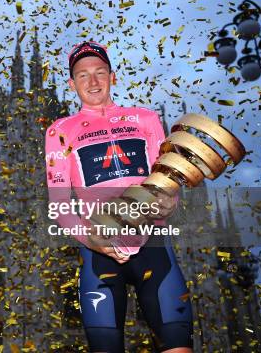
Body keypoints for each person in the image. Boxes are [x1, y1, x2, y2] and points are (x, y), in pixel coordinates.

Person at [44, 41, 194, 352]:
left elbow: (166, 181)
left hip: (154, 246)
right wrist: (94, 241)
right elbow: (59, 204)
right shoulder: (59, 130)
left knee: (178, 346)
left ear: (113, 77)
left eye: (100, 73)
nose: (93, 81)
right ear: (72, 84)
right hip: (98, 255)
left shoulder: (146, 119)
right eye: (83, 75)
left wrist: (168, 204)